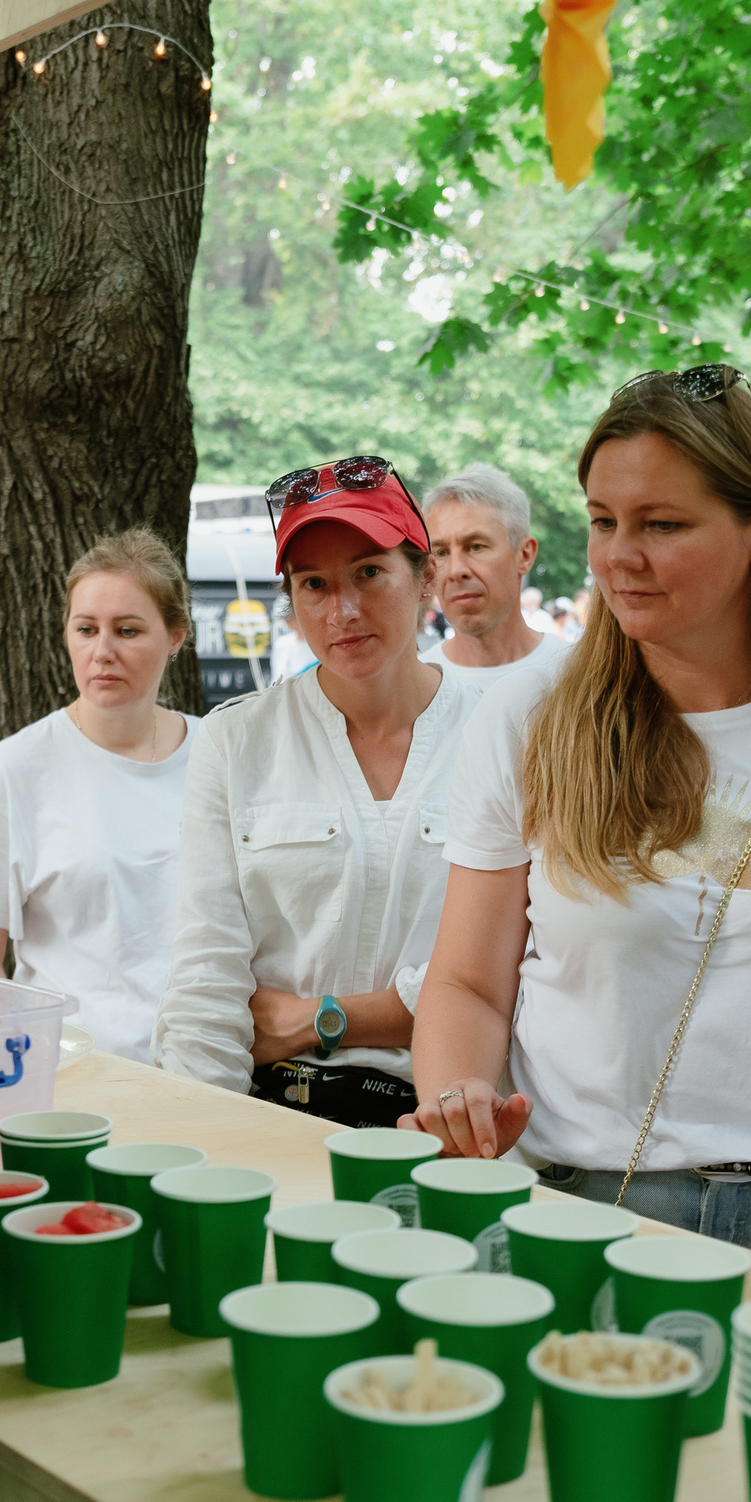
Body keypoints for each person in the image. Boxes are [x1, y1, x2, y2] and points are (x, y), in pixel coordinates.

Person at [406, 367, 751, 1248]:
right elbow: (468, 981)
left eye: (661, 524)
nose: (619, 555)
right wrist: (458, 1103)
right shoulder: (528, 716)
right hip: (569, 1210)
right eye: (603, 520)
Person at [156, 458, 474, 1126]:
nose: (344, 610)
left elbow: (511, 968)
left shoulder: (502, 737)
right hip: (275, 1113)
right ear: (292, 604)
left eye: (368, 572)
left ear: (426, 579)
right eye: (314, 583)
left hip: (443, 1122)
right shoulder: (237, 741)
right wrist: (203, 1141)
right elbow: (206, 976)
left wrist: (316, 1018)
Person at [0, 531, 199, 1064]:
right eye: (85, 629)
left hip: (212, 1075)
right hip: (72, 1074)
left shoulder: (219, 757)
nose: (102, 652)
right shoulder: (16, 769)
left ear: (175, 635)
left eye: (128, 630)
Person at [422, 465, 572, 683]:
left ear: (524, 555)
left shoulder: (580, 677)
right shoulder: (413, 693)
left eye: (475, 547)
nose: (456, 571)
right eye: (441, 552)